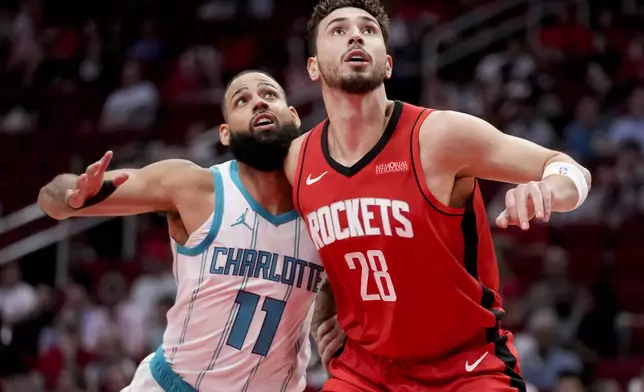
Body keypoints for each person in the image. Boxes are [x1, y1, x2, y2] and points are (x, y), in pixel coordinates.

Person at [281, 0, 592, 391]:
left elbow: (570, 170)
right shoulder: (297, 160)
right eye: (338, 30)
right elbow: (300, 246)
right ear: (312, 67)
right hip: (365, 371)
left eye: (368, 29)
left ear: (388, 64)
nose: (356, 35)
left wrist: (548, 189)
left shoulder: (439, 137)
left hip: (466, 367)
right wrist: (324, 299)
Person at [38, 70, 339, 392]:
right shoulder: (194, 186)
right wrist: (73, 195)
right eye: (242, 100)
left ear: (293, 117)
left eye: (268, 95)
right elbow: (51, 201)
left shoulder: (326, 209)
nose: (257, 103)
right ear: (225, 133)